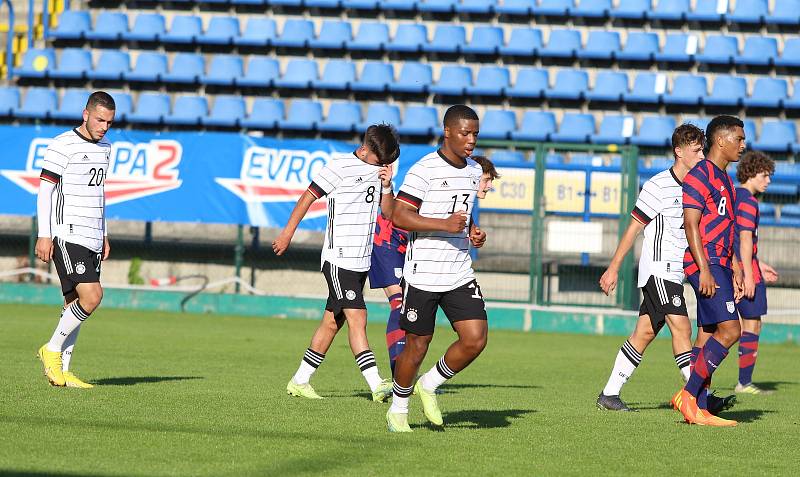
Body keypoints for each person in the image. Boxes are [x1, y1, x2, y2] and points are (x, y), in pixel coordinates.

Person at [274, 124, 401, 402]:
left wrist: (387, 185)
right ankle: (376, 384)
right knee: (359, 316)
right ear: (365, 149)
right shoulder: (339, 166)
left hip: (361, 261)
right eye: (378, 160)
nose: (381, 164)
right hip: (338, 258)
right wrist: (287, 233)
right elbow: (308, 197)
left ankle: (299, 381)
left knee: (332, 323)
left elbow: (389, 213)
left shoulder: (382, 170)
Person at [385, 105, 488, 433]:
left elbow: (463, 210)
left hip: (458, 270)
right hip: (423, 273)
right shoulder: (424, 170)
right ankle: (398, 410)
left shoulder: (474, 170)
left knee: (475, 339)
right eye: (465, 133)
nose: (471, 140)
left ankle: (429, 384)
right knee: (417, 345)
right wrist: (443, 224)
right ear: (447, 132)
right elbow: (399, 216)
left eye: (475, 134)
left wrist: (472, 231)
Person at [597, 124, 709, 411]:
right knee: (682, 329)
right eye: (696, 151)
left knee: (643, 334)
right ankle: (698, 397)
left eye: (702, 150)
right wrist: (614, 268)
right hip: (659, 269)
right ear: (679, 151)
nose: (701, 155)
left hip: (676, 271)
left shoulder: (697, 187)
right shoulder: (658, 185)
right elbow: (634, 227)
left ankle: (609, 395)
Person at [371, 155, 499, 377]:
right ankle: (397, 372)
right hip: (389, 243)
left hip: (418, 251)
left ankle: (410, 378)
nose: (488, 185)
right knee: (398, 302)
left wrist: (472, 231)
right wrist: (386, 188)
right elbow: (393, 214)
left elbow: (460, 214)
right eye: (486, 179)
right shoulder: (435, 176)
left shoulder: (461, 194)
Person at [35, 91, 116, 388]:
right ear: (85, 114)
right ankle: (52, 350)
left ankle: (63, 371)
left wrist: (104, 231)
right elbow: (45, 191)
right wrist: (44, 234)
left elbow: (100, 192)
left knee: (74, 302)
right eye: (99, 120)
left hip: (93, 235)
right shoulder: (61, 145)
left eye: (109, 122)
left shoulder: (106, 147)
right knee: (92, 297)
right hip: (68, 233)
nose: (104, 127)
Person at [673, 115, 746, 427]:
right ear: (721, 140)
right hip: (705, 264)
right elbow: (691, 224)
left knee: (706, 336)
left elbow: (725, 228)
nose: (743, 145)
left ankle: (700, 409)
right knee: (731, 331)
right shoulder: (699, 175)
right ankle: (687, 396)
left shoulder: (726, 179)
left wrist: (736, 268)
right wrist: (704, 269)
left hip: (720, 265)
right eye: (739, 139)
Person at [733, 151, 779, 394]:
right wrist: (750, 274)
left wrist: (758, 264)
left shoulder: (733, 196)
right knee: (751, 325)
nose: (768, 181)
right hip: (745, 271)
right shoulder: (749, 201)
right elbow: (744, 239)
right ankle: (744, 382)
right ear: (750, 174)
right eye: (765, 175)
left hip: (738, 266)